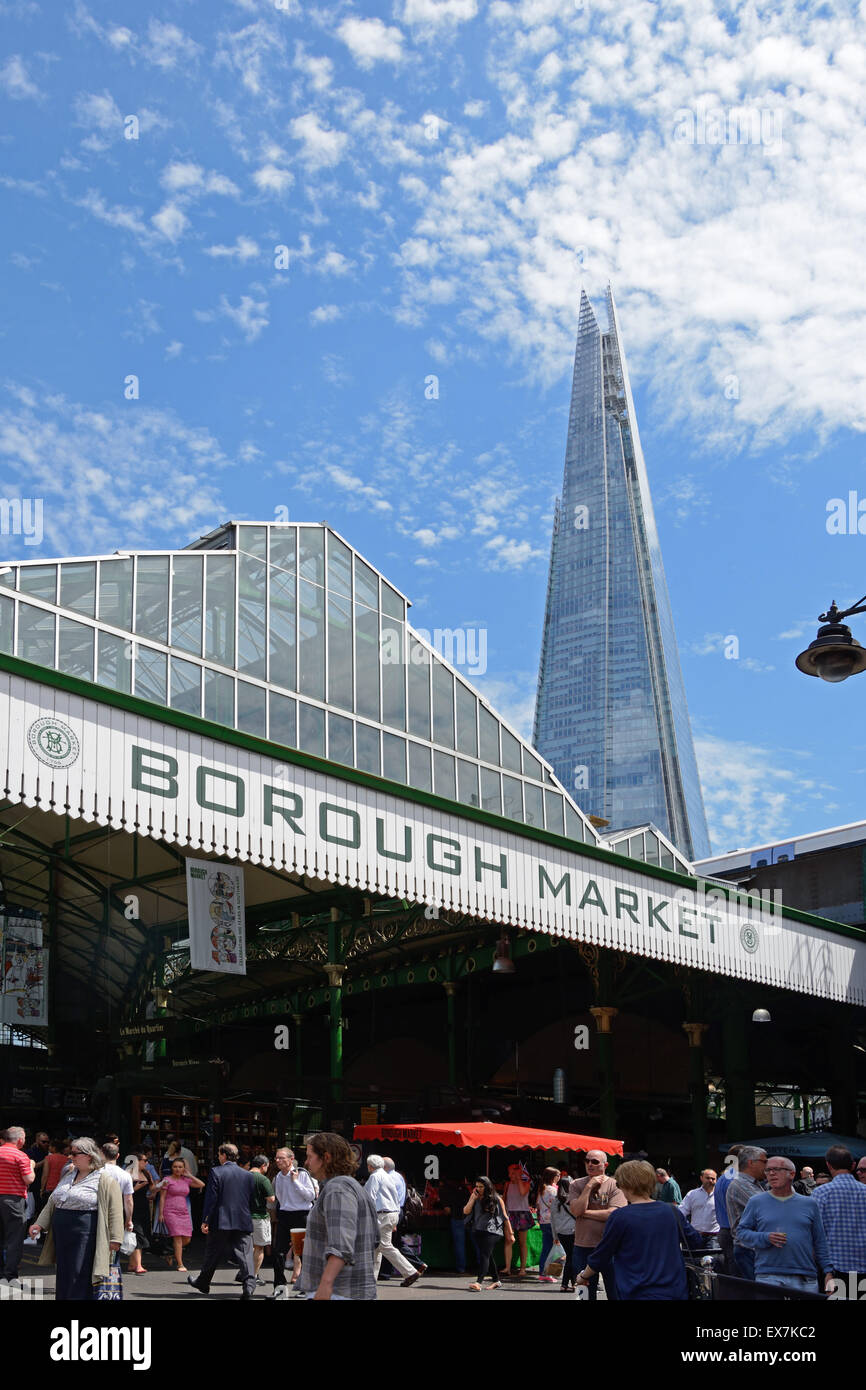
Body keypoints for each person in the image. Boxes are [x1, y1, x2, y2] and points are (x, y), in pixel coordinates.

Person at [575, 1159, 702, 1300]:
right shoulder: (672, 1211)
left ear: (625, 1185)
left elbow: (602, 1254)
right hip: (675, 1290)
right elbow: (695, 1241)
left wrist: (583, 1276)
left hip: (637, 1290)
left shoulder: (620, 1216)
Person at [30, 1136, 123, 1300]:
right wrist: (39, 1224)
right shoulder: (69, 1173)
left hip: (84, 1233)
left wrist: (115, 1238)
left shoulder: (105, 1180)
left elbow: (115, 1210)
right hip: (63, 1234)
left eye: (74, 1154)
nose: (70, 1157)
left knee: (79, 1272)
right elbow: (53, 1201)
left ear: (88, 1155)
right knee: (64, 1271)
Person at [735, 1156, 833, 1294]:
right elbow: (741, 1233)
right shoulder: (756, 1202)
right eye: (768, 1170)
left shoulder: (809, 1204)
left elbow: (820, 1240)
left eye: (776, 1169)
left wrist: (828, 1272)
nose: (771, 1173)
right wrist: (765, 1237)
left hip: (805, 1276)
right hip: (768, 1275)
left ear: (792, 1174)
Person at [300, 1131, 379, 1300]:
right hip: (346, 1290)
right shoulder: (347, 1186)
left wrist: (326, 1283)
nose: (306, 1163)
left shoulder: (338, 1189)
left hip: (339, 1291)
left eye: (310, 1157)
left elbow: (341, 1245)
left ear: (326, 1157)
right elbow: (373, 1239)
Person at [187, 1142, 257, 1299]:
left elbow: (212, 1198)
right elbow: (251, 1199)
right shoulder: (247, 1175)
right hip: (242, 1218)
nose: (218, 1157)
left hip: (221, 1219)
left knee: (212, 1252)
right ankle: (249, 1285)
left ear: (224, 1155)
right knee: (245, 1254)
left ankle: (203, 1282)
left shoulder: (216, 1172)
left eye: (219, 1154)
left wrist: (206, 1219)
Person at [568, 1150, 626, 1299]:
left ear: (605, 1165)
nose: (590, 1164)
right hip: (582, 1247)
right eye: (587, 1161)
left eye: (595, 1161)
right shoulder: (576, 1184)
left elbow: (613, 1214)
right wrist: (589, 1186)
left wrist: (583, 1213)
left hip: (610, 1247)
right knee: (584, 1294)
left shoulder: (616, 1185)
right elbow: (575, 1210)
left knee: (616, 1293)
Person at [365, 1154, 426, 1286]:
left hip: (382, 1215)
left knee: (384, 1245)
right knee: (378, 1246)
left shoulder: (375, 1176)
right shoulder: (389, 1176)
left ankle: (410, 1272)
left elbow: (369, 1198)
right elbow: (396, 1198)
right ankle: (370, 1278)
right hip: (392, 1213)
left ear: (370, 1166)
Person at [812, 1145, 866, 1286]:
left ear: (828, 1165)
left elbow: (814, 1232)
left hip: (834, 1268)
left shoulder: (820, 1193)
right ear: (853, 1165)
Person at [271, 1146, 317, 1295]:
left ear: (291, 1159)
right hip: (285, 1215)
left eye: (281, 1158)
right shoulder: (277, 1177)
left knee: (303, 1252)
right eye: (276, 1158)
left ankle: (306, 1287)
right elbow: (279, 1198)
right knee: (278, 1252)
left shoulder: (302, 1174)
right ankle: (279, 1286)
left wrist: (296, 1182)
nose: (278, 1160)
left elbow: (311, 1196)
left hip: (301, 1215)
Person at [726, 1146, 768, 1280]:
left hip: (754, 1248)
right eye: (764, 1161)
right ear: (751, 1162)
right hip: (748, 1249)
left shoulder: (756, 1183)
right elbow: (768, 1208)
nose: (768, 1166)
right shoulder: (740, 1184)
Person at [157, 1156, 205, 1272]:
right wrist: (161, 1213)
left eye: (180, 1167)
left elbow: (201, 1184)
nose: (177, 1169)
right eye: (175, 1167)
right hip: (170, 1210)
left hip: (183, 1211)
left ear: (183, 1168)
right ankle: (180, 1264)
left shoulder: (186, 1180)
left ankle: (171, 1253)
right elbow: (162, 1197)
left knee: (187, 1238)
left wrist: (189, 1175)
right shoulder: (167, 1180)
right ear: (171, 1168)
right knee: (177, 1237)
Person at [0, 1125, 35, 1282]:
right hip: (13, 1200)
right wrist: (32, 1167)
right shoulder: (21, 1156)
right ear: (20, 1140)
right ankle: (9, 1276)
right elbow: (29, 1179)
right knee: (14, 1239)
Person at [463, 1176, 511, 1290]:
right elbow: (466, 1211)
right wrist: (472, 1199)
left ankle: (479, 1282)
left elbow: (505, 1216)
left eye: (481, 1187)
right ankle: (496, 1281)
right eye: (477, 1186)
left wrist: (510, 1233)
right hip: (478, 1229)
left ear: (487, 1186)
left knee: (484, 1255)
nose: (479, 1189)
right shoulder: (474, 1196)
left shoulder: (496, 1198)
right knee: (488, 1255)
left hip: (492, 1231)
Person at [714, 1143, 744, 1274]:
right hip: (734, 1233)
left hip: (726, 1231)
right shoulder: (734, 1179)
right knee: (738, 1278)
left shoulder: (723, 1177)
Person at [126, 1151, 156, 1275]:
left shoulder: (146, 1173)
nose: (146, 1163)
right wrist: (136, 1187)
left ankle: (132, 1263)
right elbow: (124, 1192)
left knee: (142, 1232)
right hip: (132, 1206)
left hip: (144, 1206)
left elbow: (152, 1188)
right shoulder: (128, 1173)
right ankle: (138, 1265)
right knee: (138, 1234)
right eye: (144, 1160)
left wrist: (158, 1188)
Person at [248, 1153, 275, 1279]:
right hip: (259, 1216)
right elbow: (271, 1199)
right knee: (259, 1247)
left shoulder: (243, 1175)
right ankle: (253, 1275)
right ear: (263, 1165)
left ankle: (245, 1273)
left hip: (244, 1216)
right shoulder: (263, 1179)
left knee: (247, 1247)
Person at [503, 1161, 533, 1277]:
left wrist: (519, 1177)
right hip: (510, 1213)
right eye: (509, 1173)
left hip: (522, 1213)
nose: (510, 1176)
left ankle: (523, 1268)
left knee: (522, 1242)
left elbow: (522, 1192)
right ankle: (507, 1267)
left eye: (512, 1173)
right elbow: (504, 1199)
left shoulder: (526, 1183)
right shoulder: (508, 1184)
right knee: (509, 1240)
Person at [100, 1142, 135, 1239]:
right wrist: (129, 1219)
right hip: (117, 1214)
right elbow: (128, 1201)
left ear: (101, 1154)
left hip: (97, 1212)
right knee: (115, 1243)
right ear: (118, 1155)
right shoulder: (125, 1175)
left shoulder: (96, 1172)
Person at [678, 1169, 720, 1246]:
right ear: (701, 1178)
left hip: (714, 1237)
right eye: (707, 1178)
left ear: (716, 1180)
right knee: (695, 1257)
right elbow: (681, 1213)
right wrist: (686, 1228)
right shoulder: (692, 1194)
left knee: (712, 1257)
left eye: (713, 1179)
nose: (710, 1180)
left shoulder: (720, 1196)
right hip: (695, 1235)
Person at [438, 1174, 469, 1274]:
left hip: (457, 1217)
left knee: (459, 1244)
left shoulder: (444, 1190)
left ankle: (461, 1268)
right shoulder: (465, 1189)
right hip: (469, 1217)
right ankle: (482, 1266)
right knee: (477, 1243)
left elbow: (447, 1210)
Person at [550, 1175, 576, 1292]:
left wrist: (555, 1236)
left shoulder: (555, 1201)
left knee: (570, 1257)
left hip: (561, 1232)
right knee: (572, 1258)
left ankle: (570, 1283)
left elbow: (552, 1220)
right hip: (573, 1231)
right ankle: (566, 1284)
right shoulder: (572, 1200)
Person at [536, 1165, 560, 1281]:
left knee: (547, 1247)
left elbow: (538, 1205)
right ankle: (547, 1273)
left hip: (543, 1221)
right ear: (553, 1177)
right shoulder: (553, 1190)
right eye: (558, 1175)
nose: (559, 1177)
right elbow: (558, 1205)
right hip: (553, 1221)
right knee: (554, 1249)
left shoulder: (542, 1189)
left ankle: (543, 1272)